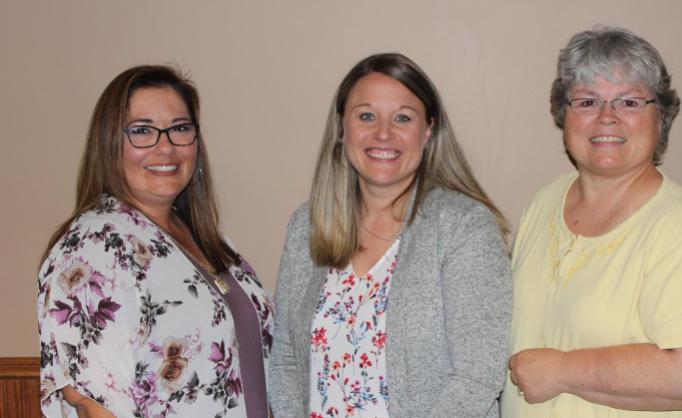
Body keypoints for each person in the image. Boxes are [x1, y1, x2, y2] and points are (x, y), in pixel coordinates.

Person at [502, 26, 682, 417]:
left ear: (661, 117)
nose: (606, 118)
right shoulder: (545, 203)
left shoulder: (679, 226)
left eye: (630, 102)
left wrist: (561, 371)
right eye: (586, 102)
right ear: (562, 115)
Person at [268, 52, 512, 418]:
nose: (384, 133)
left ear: (428, 131)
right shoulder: (307, 226)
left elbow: (477, 376)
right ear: (341, 128)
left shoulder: (463, 227)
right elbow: (285, 357)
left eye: (403, 118)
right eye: (366, 116)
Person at [37, 65, 274, 418]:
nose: (165, 147)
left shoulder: (209, 239)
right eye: (142, 131)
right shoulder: (95, 246)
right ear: (109, 143)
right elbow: (96, 405)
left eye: (180, 128)